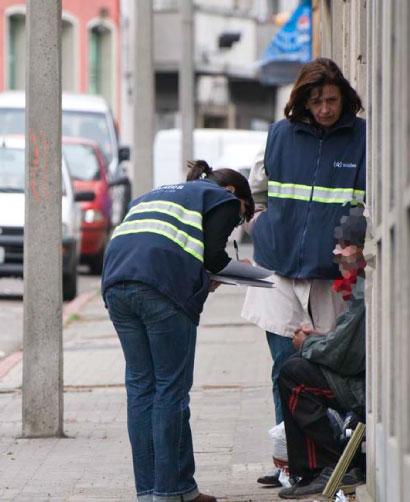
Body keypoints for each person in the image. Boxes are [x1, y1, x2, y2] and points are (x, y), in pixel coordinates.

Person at [240, 58, 366, 487]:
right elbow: (256, 187)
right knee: (283, 366)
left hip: (330, 275)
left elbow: (365, 202)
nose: (325, 109)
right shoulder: (280, 135)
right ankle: (289, 463)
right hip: (278, 268)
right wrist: (259, 222)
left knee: (319, 370)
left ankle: (326, 459)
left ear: (344, 99)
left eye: (331, 100)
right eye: (316, 101)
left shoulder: (361, 139)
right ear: (302, 101)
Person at [101, 160, 254, 502]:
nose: (235, 225)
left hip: (116, 284)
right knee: (170, 390)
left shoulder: (154, 195)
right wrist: (241, 272)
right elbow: (214, 257)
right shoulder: (222, 199)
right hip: (161, 289)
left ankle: (160, 490)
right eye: (242, 218)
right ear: (233, 194)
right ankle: (169, 492)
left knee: (141, 389)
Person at [277, 206, 367, 499]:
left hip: (361, 386)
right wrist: (321, 338)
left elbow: (344, 354)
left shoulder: (366, 288)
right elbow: (345, 340)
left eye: (342, 248)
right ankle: (313, 467)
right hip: (360, 377)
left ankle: (325, 466)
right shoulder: (365, 283)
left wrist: (308, 344)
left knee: (294, 375)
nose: (337, 254)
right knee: (294, 367)